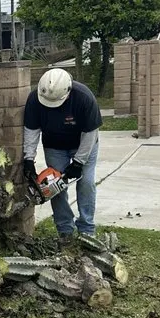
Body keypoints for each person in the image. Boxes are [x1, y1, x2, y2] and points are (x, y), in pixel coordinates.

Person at [22, 67, 102, 242]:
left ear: (68, 91)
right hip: (54, 146)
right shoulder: (35, 99)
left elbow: (90, 133)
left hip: (84, 144)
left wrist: (79, 162)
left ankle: (87, 229)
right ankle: (65, 229)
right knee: (54, 187)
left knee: (86, 183)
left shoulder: (84, 97)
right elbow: (31, 129)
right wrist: (28, 158)